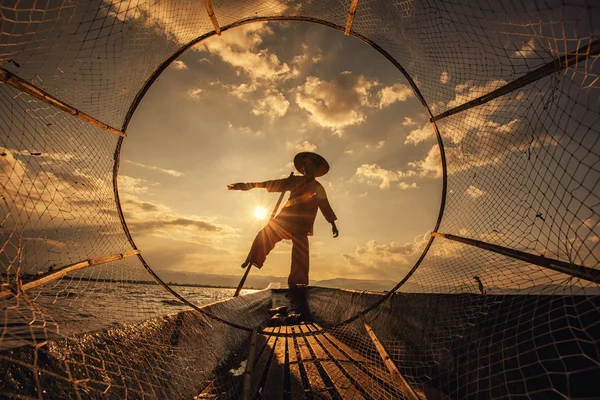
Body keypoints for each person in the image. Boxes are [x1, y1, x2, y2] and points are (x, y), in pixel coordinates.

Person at [228, 152, 339, 287]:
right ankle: (253, 258)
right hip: (286, 218)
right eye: (305, 165)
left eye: (310, 165)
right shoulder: (294, 181)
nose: (306, 167)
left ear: (314, 169)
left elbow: (324, 205)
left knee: (301, 252)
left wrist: (332, 223)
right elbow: (272, 184)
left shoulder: (317, 187)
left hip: (302, 223)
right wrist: (247, 185)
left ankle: (298, 282)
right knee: (264, 234)